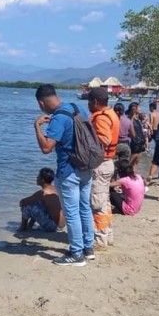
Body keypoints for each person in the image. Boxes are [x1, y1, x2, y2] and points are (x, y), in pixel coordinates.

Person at [34, 84, 94, 266]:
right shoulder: (77, 108)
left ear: (41, 102)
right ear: (56, 95)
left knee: (72, 213)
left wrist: (37, 126)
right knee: (85, 208)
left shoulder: (58, 118)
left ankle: (76, 253)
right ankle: (88, 248)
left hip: (69, 171)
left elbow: (46, 148)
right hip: (86, 166)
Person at [88, 87, 120, 249]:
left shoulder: (101, 117)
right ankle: (108, 235)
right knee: (105, 201)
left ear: (94, 102)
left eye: (88, 101)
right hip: (108, 162)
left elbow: (105, 139)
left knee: (97, 203)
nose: (87, 105)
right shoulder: (112, 113)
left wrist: (87, 142)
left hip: (101, 164)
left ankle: (100, 241)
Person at [18, 167, 64, 232]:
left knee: (26, 206)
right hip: (61, 226)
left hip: (52, 227)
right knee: (38, 202)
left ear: (42, 180)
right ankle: (30, 226)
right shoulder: (55, 189)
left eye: (38, 176)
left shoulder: (43, 192)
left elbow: (22, 202)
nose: (37, 178)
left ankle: (22, 228)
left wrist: (25, 202)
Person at [147, 101, 159, 181]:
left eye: (150, 107)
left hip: (153, 130)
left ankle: (146, 150)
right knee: (158, 145)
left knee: (146, 142)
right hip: (158, 131)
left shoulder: (151, 113)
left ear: (151, 107)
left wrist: (150, 131)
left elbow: (151, 122)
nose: (149, 109)